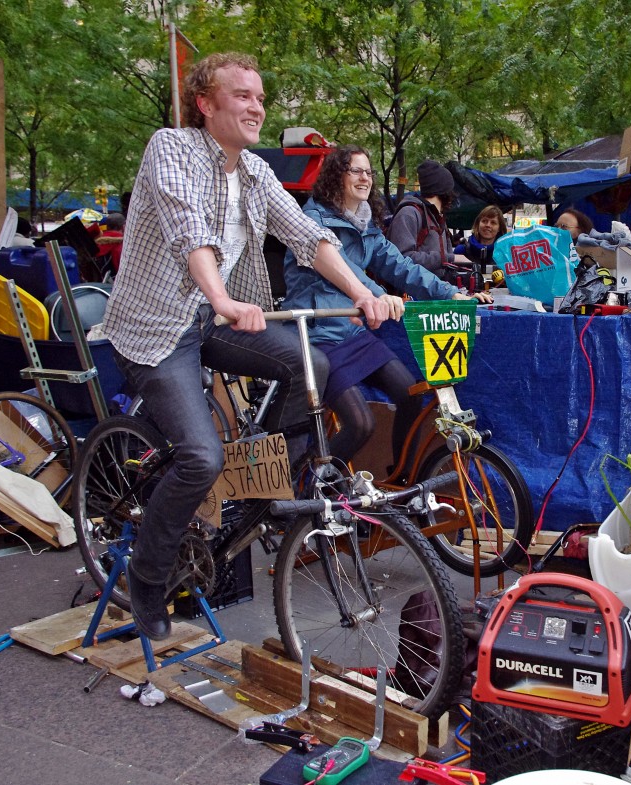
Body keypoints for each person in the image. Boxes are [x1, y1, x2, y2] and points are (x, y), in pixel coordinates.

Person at [101, 52, 390, 642]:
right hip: (157, 330)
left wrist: (364, 292)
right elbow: (191, 230)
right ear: (205, 104)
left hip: (216, 315)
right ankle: (147, 581)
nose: (257, 107)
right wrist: (224, 298)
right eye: (242, 96)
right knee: (200, 458)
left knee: (313, 362)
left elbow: (310, 238)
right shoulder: (172, 148)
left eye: (260, 97)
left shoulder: (255, 173)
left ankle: (259, 476)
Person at [284, 145, 492, 466]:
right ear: (336, 176)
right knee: (361, 423)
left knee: (411, 394)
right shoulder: (312, 220)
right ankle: (312, 484)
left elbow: (401, 267)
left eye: (369, 172)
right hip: (318, 337)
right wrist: (378, 296)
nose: (365, 177)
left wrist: (449, 294)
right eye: (356, 170)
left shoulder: (365, 224)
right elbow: (344, 270)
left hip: (352, 334)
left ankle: (405, 481)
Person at [388, 159, 476, 288]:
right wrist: (449, 258)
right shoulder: (409, 214)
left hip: (436, 290)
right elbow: (401, 259)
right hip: (413, 296)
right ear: (445, 190)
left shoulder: (438, 218)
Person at [453, 204, 507, 281]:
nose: (488, 225)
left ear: (499, 228)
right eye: (484, 221)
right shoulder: (461, 250)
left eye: (493, 222)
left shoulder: (506, 253)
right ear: (478, 224)